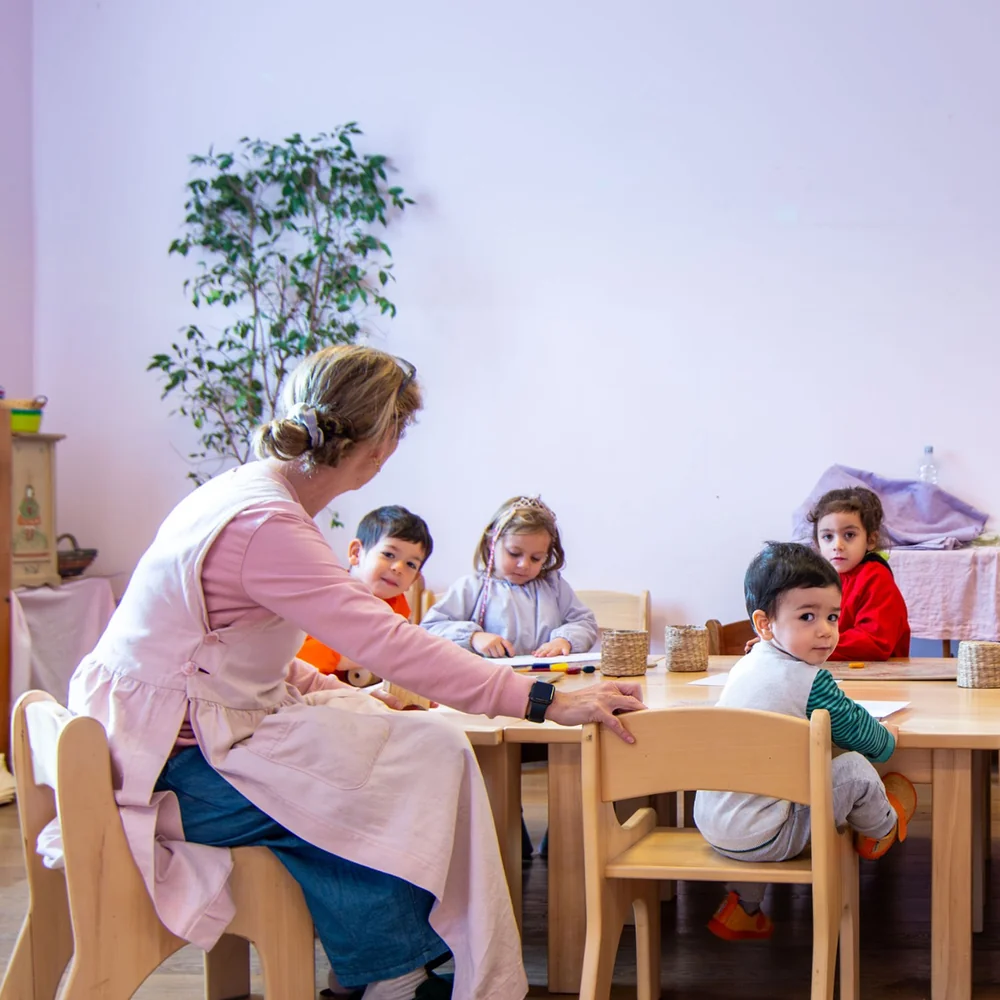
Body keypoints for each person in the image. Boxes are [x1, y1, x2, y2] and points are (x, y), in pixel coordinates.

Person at [66, 346, 645, 1000]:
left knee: (416, 746)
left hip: (159, 743)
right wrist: (544, 699)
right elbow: (388, 641)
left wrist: (333, 693)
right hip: (172, 771)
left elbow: (235, 654)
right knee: (400, 770)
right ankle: (395, 975)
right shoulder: (266, 524)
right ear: (380, 446)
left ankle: (388, 968)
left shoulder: (241, 495)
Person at [693, 541, 916, 942]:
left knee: (765, 792)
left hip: (715, 822)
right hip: (768, 835)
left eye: (832, 616)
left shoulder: (747, 665)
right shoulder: (811, 681)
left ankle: (743, 909)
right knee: (855, 769)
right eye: (807, 616)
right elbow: (866, 737)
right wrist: (887, 737)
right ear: (765, 624)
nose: (826, 630)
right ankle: (881, 829)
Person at [420, 496, 598, 658]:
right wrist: (473, 637)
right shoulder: (471, 587)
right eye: (514, 553)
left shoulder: (553, 585)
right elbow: (431, 629)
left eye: (536, 558)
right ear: (491, 543)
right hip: (487, 679)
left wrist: (564, 640)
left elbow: (584, 622)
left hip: (550, 677)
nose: (524, 564)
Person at [297, 505, 432, 683]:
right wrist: (348, 658)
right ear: (356, 553)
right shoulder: (326, 595)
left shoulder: (398, 608)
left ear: (414, 579)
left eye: (411, 564)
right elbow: (298, 656)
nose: (399, 568)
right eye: (389, 554)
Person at [808, 487, 910, 660]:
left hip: (878, 674)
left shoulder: (876, 578)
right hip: (835, 668)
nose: (837, 545)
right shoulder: (817, 579)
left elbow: (874, 642)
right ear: (817, 543)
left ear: (870, 540)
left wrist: (812, 646)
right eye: (828, 537)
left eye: (849, 535)